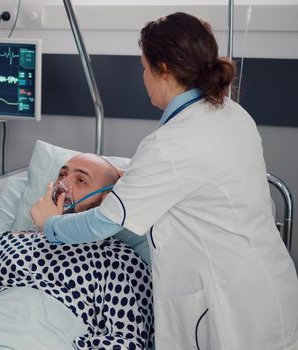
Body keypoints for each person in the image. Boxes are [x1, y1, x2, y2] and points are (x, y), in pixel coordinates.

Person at [31, 12, 298, 349]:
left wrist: (50, 225)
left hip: (227, 306)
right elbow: (195, 177)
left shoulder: (167, 147)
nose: (143, 76)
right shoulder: (232, 113)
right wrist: (131, 179)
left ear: (165, 70)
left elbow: (102, 223)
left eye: (144, 67)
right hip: (269, 285)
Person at [0, 154, 154, 349]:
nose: (63, 186)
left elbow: (126, 341)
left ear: (106, 199)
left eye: (81, 180)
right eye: (62, 175)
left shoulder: (119, 260)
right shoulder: (9, 242)